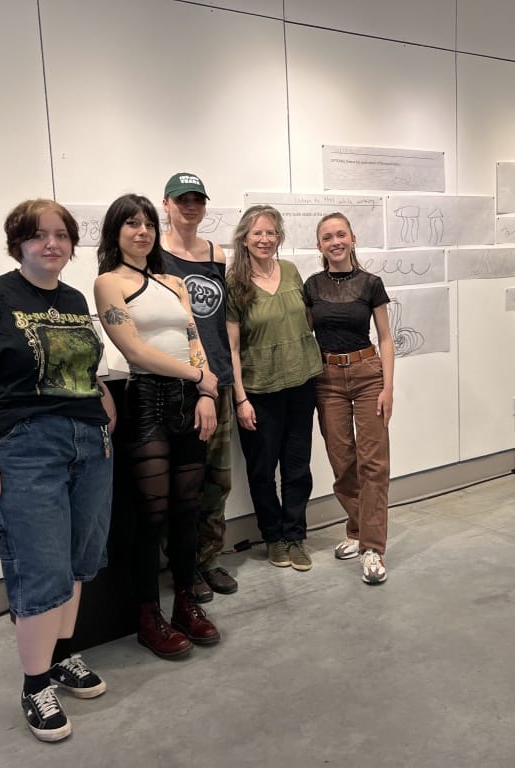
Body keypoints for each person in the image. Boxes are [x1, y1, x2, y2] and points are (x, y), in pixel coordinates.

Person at [0, 199, 114, 742]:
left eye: (61, 235)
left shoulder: (72, 298)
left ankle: (62, 657)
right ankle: (34, 683)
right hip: (26, 448)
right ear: (17, 241)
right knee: (40, 567)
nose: (52, 244)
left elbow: (83, 370)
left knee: (78, 560)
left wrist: (103, 409)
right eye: (39, 235)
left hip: (89, 443)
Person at [93, 193, 221, 660]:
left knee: (188, 509)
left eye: (148, 223)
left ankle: (185, 602)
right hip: (145, 401)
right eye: (131, 223)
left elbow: (194, 339)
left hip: (189, 400)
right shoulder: (108, 283)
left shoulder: (173, 282)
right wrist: (199, 377)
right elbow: (135, 351)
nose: (142, 231)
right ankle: (149, 615)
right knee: (151, 515)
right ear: (116, 232)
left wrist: (206, 393)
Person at [226, 205, 323, 571]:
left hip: (300, 385)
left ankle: (296, 536)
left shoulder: (292, 272)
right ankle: (273, 537)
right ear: (245, 239)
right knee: (263, 471)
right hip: (259, 391)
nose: (264, 239)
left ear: (279, 237)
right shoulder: (235, 282)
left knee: (298, 467)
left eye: (271, 232)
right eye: (257, 233)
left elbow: (308, 321)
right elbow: (232, 348)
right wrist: (241, 399)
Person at [159, 172, 238, 603]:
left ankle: (209, 557)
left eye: (197, 200)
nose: (190, 206)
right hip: (182, 382)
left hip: (220, 377)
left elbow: (222, 318)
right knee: (184, 480)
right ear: (166, 204)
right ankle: (183, 565)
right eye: (181, 199)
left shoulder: (216, 254)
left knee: (217, 479)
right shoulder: (156, 256)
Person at [304, 213, 394, 584]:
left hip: (367, 374)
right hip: (326, 378)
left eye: (341, 234)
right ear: (320, 245)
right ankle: (357, 529)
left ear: (353, 238)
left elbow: (385, 338)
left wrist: (389, 387)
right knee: (342, 460)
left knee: (373, 463)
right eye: (327, 237)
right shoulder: (311, 286)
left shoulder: (371, 283)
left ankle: (372, 546)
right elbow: (303, 333)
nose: (335, 241)